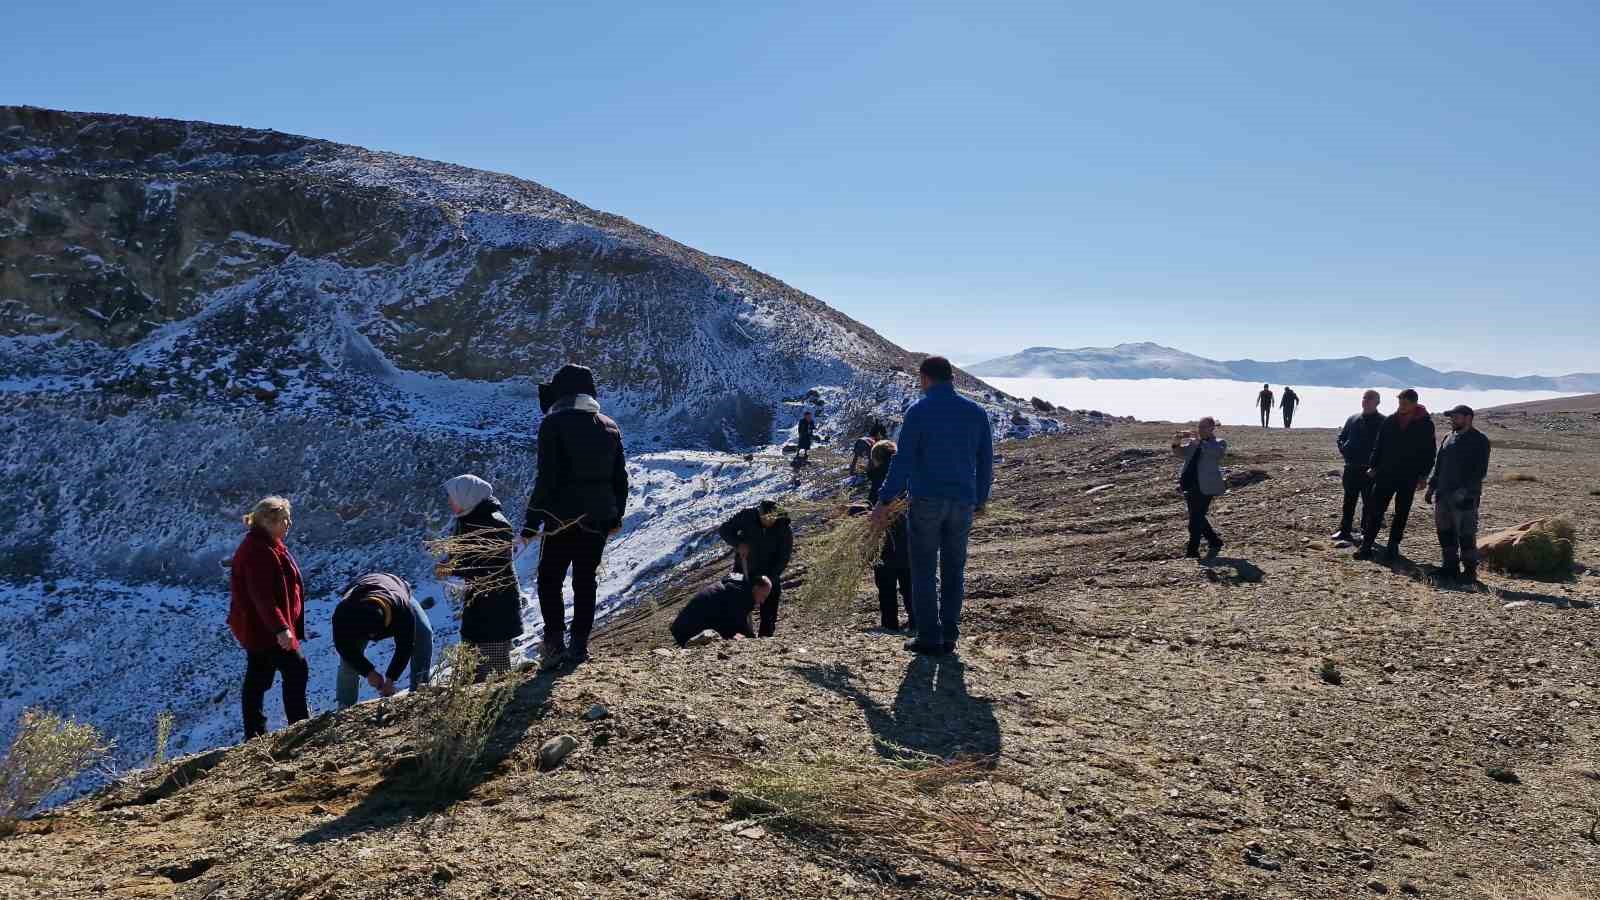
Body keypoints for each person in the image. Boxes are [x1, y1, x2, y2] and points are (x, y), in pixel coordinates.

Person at [872, 356, 994, 655]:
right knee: (954, 569)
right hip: (963, 502)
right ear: (951, 377)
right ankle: (950, 635)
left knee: (924, 569)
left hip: (927, 500)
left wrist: (885, 499)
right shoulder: (976, 412)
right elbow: (985, 461)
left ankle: (929, 636)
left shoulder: (919, 411)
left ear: (926, 378)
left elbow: (903, 460)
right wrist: (980, 498)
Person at [519, 363, 628, 668]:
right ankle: (579, 645)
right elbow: (620, 479)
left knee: (550, 579)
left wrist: (531, 522)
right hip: (599, 518)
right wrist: (616, 516)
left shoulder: (553, 424)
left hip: (562, 518)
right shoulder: (609, 426)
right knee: (585, 580)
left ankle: (554, 643)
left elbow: (547, 478)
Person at [228, 496, 308, 741]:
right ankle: (298, 725)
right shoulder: (258, 551)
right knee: (295, 668)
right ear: (267, 521)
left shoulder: (268, 545)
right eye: (284, 519)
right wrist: (281, 628)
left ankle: (255, 734)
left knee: (259, 677)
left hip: (263, 627)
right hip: (265, 628)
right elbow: (261, 596)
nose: (289, 524)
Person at [442, 474, 524, 679]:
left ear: (466, 496)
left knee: (493, 674)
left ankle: (502, 708)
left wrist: (453, 570)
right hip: (479, 603)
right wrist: (449, 565)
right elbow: (463, 556)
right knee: (472, 670)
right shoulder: (468, 519)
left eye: (453, 497)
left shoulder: (495, 525)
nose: (450, 502)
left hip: (496, 605)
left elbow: (490, 568)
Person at [332, 573, 434, 708]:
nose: (372, 639)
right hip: (363, 589)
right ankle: (344, 706)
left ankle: (420, 690)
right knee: (349, 662)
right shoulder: (344, 611)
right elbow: (343, 647)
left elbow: (405, 646)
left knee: (424, 634)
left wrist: (391, 679)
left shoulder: (403, 610)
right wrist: (368, 672)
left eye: (373, 635)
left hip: (396, 588)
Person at [1358, 388, 1437, 562]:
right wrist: (1373, 466)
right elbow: (1379, 445)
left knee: (1402, 512)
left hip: (1409, 476)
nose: (1401, 406)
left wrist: (1424, 475)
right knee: (1376, 509)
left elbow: (1429, 452)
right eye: (1400, 402)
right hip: (1386, 473)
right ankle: (1367, 544)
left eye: (1405, 403)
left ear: (1414, 403)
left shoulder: (1425, 424)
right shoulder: (1390, 421)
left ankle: (1393, 546)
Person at [1427, 404, 1491, 582]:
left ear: (1468, 418)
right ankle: (1450, 566)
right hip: (1443, 494)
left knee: (1466, 533)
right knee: (1445, 531)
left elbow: (1479, 471)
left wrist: (1465, 491)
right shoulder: (1448, 437)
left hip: (1465, 497)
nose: (1452, 420)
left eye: (1456, 417)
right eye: (1452, 417)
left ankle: (1470, 571)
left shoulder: (1479, 440)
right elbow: (1439, 465)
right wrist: (1432, 487)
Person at [718, 500, 794, 637]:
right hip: (743, 566)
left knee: (770, 600)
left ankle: (766, 636)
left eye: (772, 518)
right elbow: (724, 530)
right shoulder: (747, 516)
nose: (769, 522)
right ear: (759, 513)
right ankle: (741, 635)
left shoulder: (784, 527)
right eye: (765, 518)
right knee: (736, 599)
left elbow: (783, 557)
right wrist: (738, 543)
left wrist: (769, 578)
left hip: (769, 571)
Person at [867, 440, 914, 632]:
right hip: (911, 540)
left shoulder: (879, 480)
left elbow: (872, 511)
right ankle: (917, 622)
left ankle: (890, 625)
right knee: (910, 585)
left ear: (876, 459)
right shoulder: (910, 476)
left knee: (886, 587)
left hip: (885, 543)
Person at [1172, 417, 1227, 558]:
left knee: (1195, 520)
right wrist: (1176, 441)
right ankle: (1214, 541)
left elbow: (1216, 455)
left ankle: (1192, 552)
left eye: (1203, 427)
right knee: (1198, 517)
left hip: (1206, 486)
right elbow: (1179, 454)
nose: (1200, 430)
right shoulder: (1193, 443)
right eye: (1199, 427)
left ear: (1211, 428)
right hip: (1189, 484)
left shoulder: (1219, 443)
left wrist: (1200, 443)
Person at [1333, 390, 1384, 542]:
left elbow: (1387, 446)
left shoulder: (1383, 421)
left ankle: (1366, 532)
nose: (1366, 401)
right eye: (1364, 398)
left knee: (1369, 502)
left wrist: (1377, 467)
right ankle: (1345, 530)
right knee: (1349, 500)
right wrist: (1345, 450)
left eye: (1369, 399)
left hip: (1370, 469)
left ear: (1377, 402)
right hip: (1351, 467)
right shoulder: (1353, 418)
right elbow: (1341, 438)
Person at [669, 575, 772, 646]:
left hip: (683, 625)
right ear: (755, 588)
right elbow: (737, 624)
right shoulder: (742, 596)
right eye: (762, 596)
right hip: (689, 630)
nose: (762, 601)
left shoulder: (737, 582)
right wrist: (752, 640)